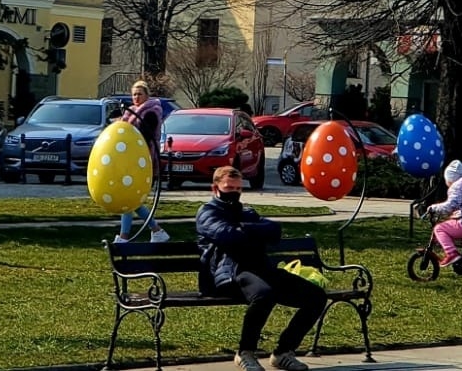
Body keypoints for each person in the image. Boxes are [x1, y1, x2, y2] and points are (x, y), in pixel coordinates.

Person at [196, 165, 326, 371]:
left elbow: (274, 231)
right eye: (229, 188)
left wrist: (244, 228)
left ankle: (283, 352)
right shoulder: (207, 212)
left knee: (316, 297)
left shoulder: (247, 213)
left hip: (261, 269)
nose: (234, 193)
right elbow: (228, 236)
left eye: (238, 189)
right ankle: (245, 352)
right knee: (264, 295)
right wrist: (253, 233)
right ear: (215, 188)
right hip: (229, 274)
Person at [116, 80, 170, 243]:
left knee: (130, 199)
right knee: (132, 200)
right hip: (130, 162)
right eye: (134, 94)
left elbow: (142, 138)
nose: (136, 97)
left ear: (147, 95)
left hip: (143, 162)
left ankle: (124, 237)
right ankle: (157, 231)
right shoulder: (131, 113)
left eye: (140, 94)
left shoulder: (150, 113)